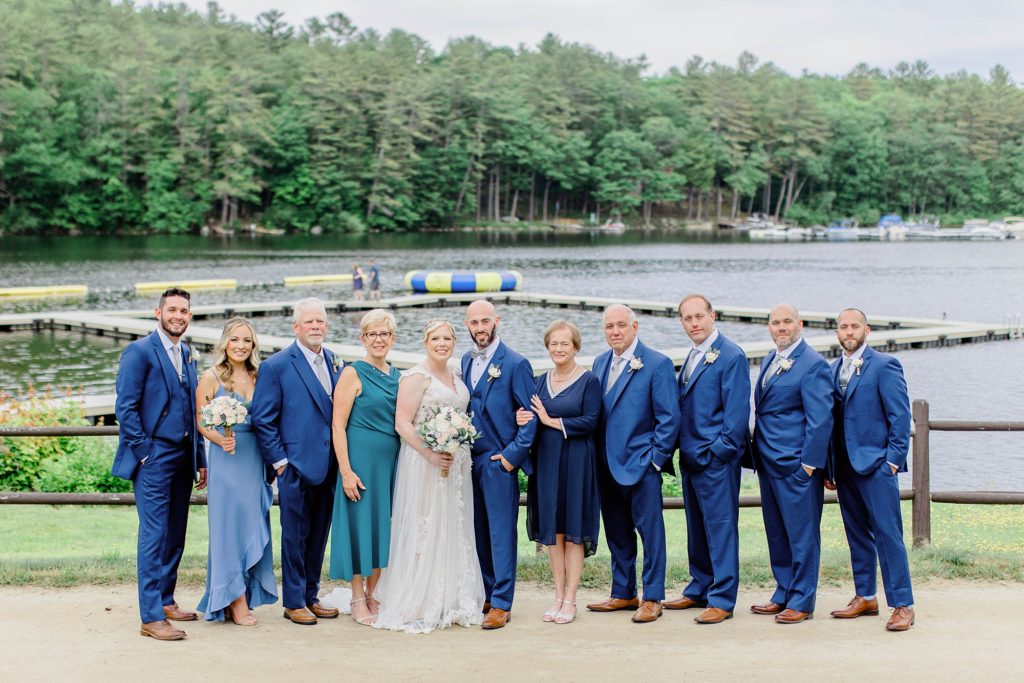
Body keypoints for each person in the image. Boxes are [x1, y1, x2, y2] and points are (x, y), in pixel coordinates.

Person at [373, 319, 485, 633]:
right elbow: (402, 424)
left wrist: (454, 443)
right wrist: (431, 453)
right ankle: (421, 598)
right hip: (424, 463)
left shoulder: (456, 374)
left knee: (453, 524)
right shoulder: (415, 376)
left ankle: (452, 594)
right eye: (436, 338)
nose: (442, 343)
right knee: (426, 523)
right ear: (425, 342)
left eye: (448, 338)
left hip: (456, 463)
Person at [112, 287, 207, 641]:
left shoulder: (187, 353)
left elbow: (192, 409)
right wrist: (145, 452)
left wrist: (200, 458)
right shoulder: (139, 352)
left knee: (176, 532)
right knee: (153, 535)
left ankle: (166, 599)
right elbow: (126, 408)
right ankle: (151, 617)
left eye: (184, 310)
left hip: (184, 457)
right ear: (158, 313)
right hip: (154, 457)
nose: (178, 315)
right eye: (172, 310)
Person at [251, 297, 342, 626]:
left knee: (319, 534)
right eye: (309, 322)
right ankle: (293, 601)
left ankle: (310, 594)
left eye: (320, 321)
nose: (316, 326)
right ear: (296, 327)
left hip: (328, 465)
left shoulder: (335, 362)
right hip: (294, 467)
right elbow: (262, 419)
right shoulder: (277, 366)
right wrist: (279, 462)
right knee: (294, 535)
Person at [587, 304, 679, 624]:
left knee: (650, 533)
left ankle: (653, 597)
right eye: (609, 326)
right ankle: (624, 592)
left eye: (621, 326)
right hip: (605, 466)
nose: (615, 331)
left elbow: (669, 419)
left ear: (635, 327)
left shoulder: (657, 364)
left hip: (641, 465)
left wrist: (655, 461)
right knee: (617, 532)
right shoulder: (599, 363)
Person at [827, 308, 915, 631]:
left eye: (854, 326)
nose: (849, 332)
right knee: (857, 535)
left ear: (867, 329)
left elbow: (900, 417)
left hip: (877, 466)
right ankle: (865, 596)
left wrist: (892, 461)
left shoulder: (884, 365)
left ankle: (903, 604)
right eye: (843, 327)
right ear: (837, 333)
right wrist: (830, 466)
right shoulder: (832, 368)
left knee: (888, 535)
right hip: (846, 469)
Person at [665, 294, 750, 624]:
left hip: (715, 461)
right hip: (690, 459)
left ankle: (723, 598)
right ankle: (700, 586)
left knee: (721, 528)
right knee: (697, 528)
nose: (694, 323)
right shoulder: (693, 356)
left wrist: (719, 454)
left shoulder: (731, 356)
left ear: (712, 316)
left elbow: (736, 416)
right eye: (687, 318)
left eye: (699, 316)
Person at [749, 303, 833, 624]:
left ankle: (802, 600)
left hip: (796, 467)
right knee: (778, 533)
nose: (781, 327)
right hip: (769, 463)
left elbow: (820, 419)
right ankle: (783, 590)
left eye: (787, 322)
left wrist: (809, 466)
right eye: (775, 322)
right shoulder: (771, 358)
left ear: (800, 324)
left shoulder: (812, 364)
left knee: (802, 535)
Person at [516, 320, 601, 625]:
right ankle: (557, 595)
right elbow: (531, 418)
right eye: (554, 343)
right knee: (554, 534)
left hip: (577, 462)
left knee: (573, 532)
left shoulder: (589, 381)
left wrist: (552, 421)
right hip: (548, 463)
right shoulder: (540, 382)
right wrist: (522, 416)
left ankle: (571, 599)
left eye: (565, 343)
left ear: (575, 346)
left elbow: (591, 420)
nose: (559, 349)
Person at [460, 300, 537, 629]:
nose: (480, 327)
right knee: (477, 531)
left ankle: (503, 603)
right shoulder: (465, 360)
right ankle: (488, 592)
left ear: (496, 321)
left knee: (501, 533)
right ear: (467, 325)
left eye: (485, 321)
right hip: (467, 462)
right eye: (474, 322)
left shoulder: (516, 363)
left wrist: (510, 457)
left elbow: (530, 418)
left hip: (498, 463)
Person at [196, 318, 277, 625]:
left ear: (254, 345)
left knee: (252, 521)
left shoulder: (260, 375)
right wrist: (220, 439)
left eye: (247, 340)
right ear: (224, 344)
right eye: (235, 340)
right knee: (229, 528)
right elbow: (202, 421)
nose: (241, 346)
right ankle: (235, 598)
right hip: (227, 459)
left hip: (255, 457)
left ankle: (244, 591)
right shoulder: (211, 376)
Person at [328, 309, 401, 626]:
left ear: (393, 338)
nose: (379, 339)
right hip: (359, 462)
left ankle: (374, 593)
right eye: (372, 334)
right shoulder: (352, 373)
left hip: (390, 464)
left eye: (384, 333)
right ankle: (357, 596)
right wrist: (345, 470)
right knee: (359, 527)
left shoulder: (398, 376)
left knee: (382, 528)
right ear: (362, 339)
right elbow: (337, 425)